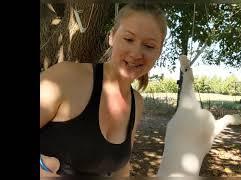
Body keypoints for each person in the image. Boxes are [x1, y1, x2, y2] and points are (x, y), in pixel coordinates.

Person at [40, 2, 167, 177]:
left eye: (149, 46)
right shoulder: (66, 77)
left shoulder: (136, 102)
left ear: (159, 52)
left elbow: (120, 171)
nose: (136, 53)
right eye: (128, 39)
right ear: (111, 37)